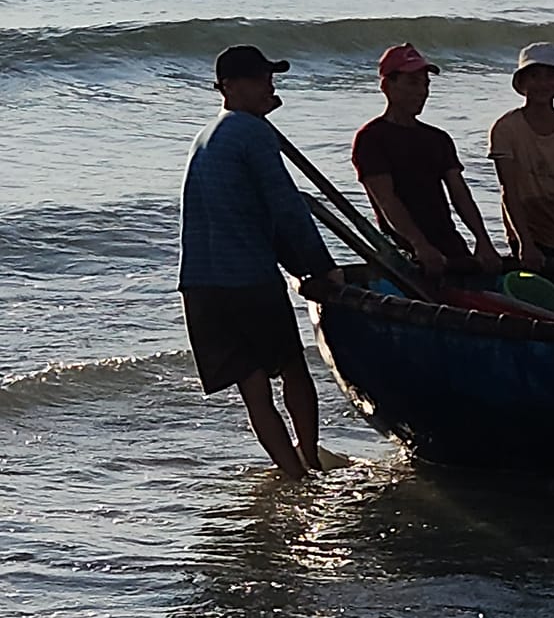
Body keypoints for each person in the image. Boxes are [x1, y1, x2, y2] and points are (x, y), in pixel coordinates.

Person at [178, 45, 343, 481]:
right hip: (247, 279)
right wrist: (318, 268)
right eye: (259, 79)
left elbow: (251, 211)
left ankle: (295, 476)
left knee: (253, 389)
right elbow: (285, 208)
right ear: (229, 87)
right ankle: (309, 459)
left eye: (269, 78)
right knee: (292, 369)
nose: (269, 84)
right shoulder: (252, 133)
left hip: (200, 286)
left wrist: (295, 262)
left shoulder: (206, 136)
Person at [352, 44, 501, 277]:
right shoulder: (372, 138)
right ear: (387, 86)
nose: (421, 91)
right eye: (412, 83)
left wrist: (483, 240)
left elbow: (459, 194)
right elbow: (386, 200)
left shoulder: (437, 138)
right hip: (403, 250)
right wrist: (418, 244)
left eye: (425, 84)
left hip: (448, 242)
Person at [487, 42, 554, 275]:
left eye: (549, 77)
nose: (542, 84)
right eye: (534, 76)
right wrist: (525, 242)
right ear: (522, 84)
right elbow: (509, 191)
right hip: (523, 232)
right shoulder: (505, 129)